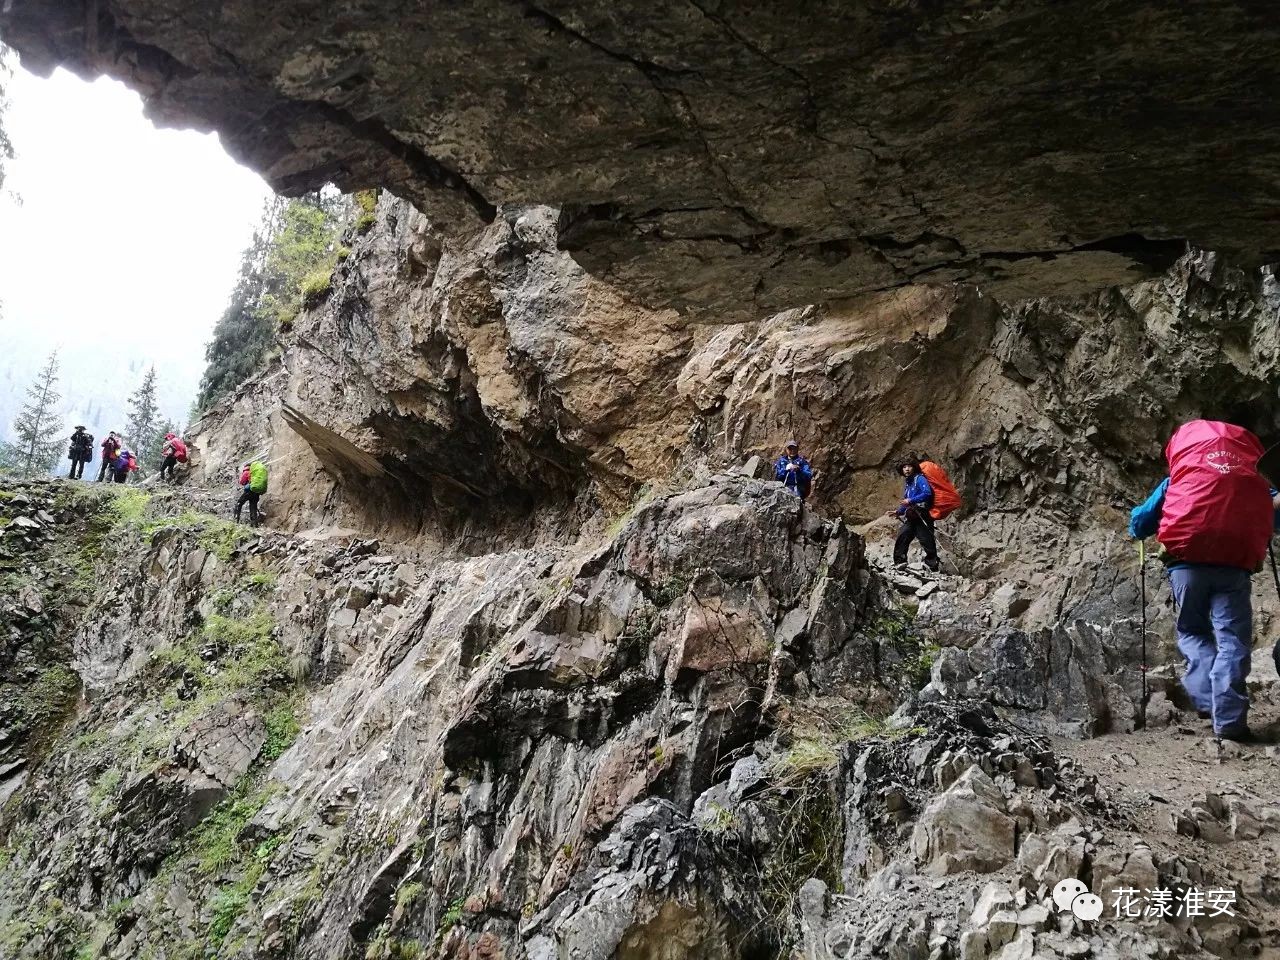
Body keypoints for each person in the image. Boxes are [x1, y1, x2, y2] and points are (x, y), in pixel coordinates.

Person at [1129, 419, 1279, 743]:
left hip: (1186, 566)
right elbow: (1273, 515)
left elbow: (1141, 520)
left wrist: (1137, 531)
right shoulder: (1254, 480)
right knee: (1232, 641)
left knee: (1193, 631)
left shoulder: (1179, 478)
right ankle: (1229, 722)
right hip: (1234, 568)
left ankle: (1208, 700)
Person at [889, 459, 939, 572]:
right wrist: (898, 512)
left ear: (914, 468)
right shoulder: (908, 483)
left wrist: (911, 500)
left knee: (926, 540)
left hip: (922, 515)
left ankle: (932, 565)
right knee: (902, 536)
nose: (906, 469)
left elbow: (927, 493)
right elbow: (906, 503)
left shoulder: (920, 479)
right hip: (912, 516)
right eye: (904, 467)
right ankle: (900, 563)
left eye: (909, 466)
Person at [235, 461, 267, 527]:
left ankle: (236, 520)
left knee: (239, 504)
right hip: (256, 492)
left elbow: (242, 482)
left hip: (249, 491)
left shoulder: (246, 472)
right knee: (253, 507)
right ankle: (254, 524)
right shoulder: (255, 473)